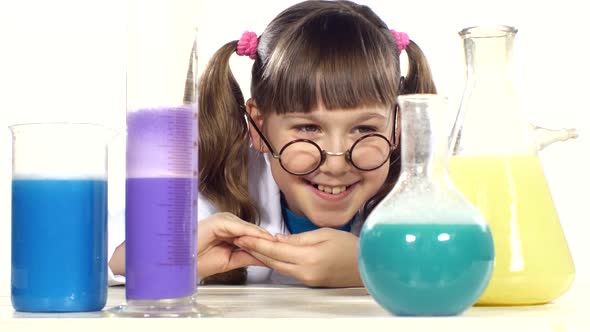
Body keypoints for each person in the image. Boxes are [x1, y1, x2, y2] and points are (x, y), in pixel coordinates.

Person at [109, 0, 436, 287]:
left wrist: (371, 267)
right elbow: (115, 259)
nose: (336, 164)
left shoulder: (428, 191)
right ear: (258, 125)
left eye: (364, 129)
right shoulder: (221, 178)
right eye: (308, 128)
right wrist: (177, 254)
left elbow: (466, 265)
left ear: (397, 125)